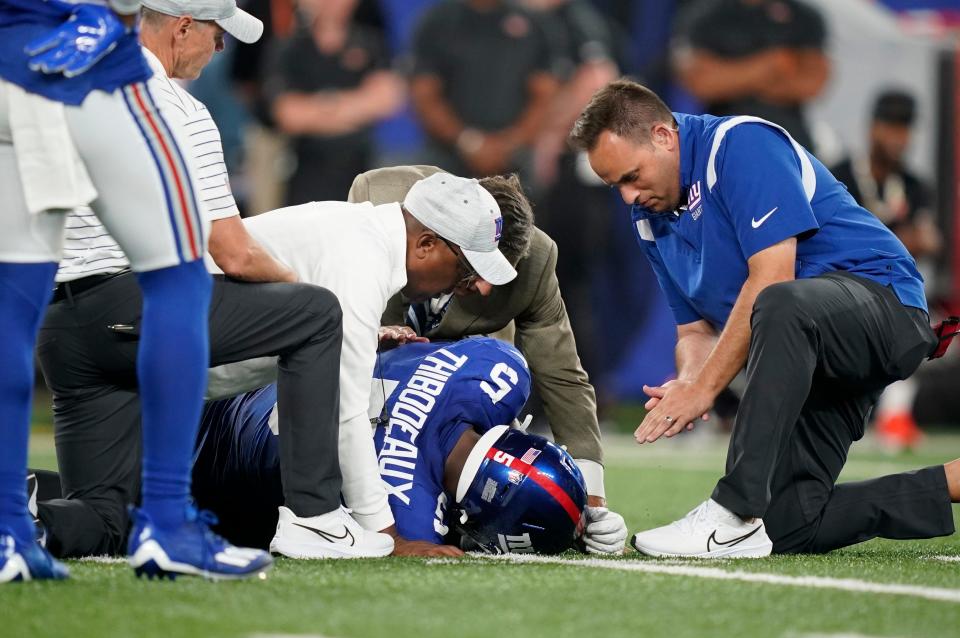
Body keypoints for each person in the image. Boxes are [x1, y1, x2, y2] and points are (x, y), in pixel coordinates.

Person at [31, 0, 396, 564]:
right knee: (317, 313)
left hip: (62, 327)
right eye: (216, 32)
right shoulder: (178, 108)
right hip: (132, 305)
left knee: (107, 521)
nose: (221, 47)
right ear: (181, 28)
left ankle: (26, 515)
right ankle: (317, 519)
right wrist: (295, 288)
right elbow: (234, 252)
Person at [568, 79, 959, 558]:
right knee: (791, 525)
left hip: (886, 307)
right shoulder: (650, 218)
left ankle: (731, 512)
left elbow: (773, 278)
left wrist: (706, 388)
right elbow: (694, 330)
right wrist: (689, 378)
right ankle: (951, 481)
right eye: (615, 187)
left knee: (779, 302)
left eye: (631, 176)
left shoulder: (740, 144)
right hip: (811, 349)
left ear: (663, 136)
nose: (627, 197)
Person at [0, 0, 271, 581]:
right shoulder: (173, 95)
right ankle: (169, 525)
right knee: (177, 277)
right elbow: (225, 249)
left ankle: (7, 534)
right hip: (91, 53)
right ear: (181, 25)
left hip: (9, 61)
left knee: (13, 304)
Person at [349, 165, 628, 555]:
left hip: (453, 395)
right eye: (479, 265)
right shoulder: (380, 199)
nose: (484, 287)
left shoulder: (536, 258)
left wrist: (592, 501)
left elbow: (562, 374)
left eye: (499, 273)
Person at [188, 338, 590, 556]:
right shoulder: (405, 515)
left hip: (237, 377)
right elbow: (408, 540)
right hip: (203, 466)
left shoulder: (498, 365)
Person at [831, 90, 942, 450]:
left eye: (906, 129)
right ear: (873, 128)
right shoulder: (840, 176)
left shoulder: (915, 186)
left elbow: (929, 242)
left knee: (925, 328)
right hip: (841, 292)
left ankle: (894, 413)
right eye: (892, 127)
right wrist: (899, 240)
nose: (899, 138)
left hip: (898, 296)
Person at [265, 0, 403, 204]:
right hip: (306, 173)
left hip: (363, 170)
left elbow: (388, 101)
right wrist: (357, 105)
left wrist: (321, 107)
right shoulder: (289, 48)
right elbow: (289, 115)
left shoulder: (371, 43)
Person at [409, 0, 559, 179]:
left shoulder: (535, 23)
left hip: (517, 160)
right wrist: (468, 141)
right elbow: (425, 94)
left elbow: (545, 95)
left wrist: (510, 143)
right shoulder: (438, 21)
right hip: (448, 160)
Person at [672, 0, 829, 154]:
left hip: (790, 143)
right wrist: (772, 64)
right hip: (722, 144)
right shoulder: (704, 13)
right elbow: (701, 83)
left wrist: (727, 75)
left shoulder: (804, 17)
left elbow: (811, 84)